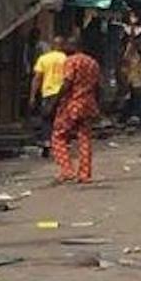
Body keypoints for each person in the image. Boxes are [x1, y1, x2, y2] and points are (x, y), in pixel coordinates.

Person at [50, 38, 101, 184]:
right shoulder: (92, 62)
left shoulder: (71, 61)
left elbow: (67, 82)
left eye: (67, 45)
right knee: (84, 138)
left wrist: (54, 102)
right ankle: (84, 174)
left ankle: (67, 170)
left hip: (72, 104)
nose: (64, 48)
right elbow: (98, 86)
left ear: (73, 46)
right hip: (88, 104)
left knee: (58, 136)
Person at [29, 36, 67, 154]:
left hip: (48, 93)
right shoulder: (66, 59)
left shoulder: (44, 58)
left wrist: (32, 96)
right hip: (62, 93)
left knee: (46, 119)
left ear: (52, 45)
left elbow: (37, 78)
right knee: (61, 119)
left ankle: (46, 142)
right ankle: (60, 143)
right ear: (62, 46)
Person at [120, 39, 141, 128]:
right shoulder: (131, 56)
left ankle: (138, 119)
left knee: (139, 101)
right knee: (137, 102)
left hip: (140, 81)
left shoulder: (140, 56)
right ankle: (138, 119)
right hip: (135, 81)